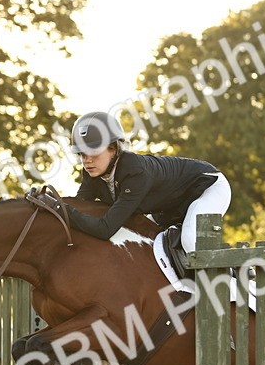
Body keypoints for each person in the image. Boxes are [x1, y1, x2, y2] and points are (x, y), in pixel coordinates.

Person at [60, 110, 231, 282]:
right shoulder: (93, 174)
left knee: (189, 239)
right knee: (148, 241)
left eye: (94, 152)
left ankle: (233, 279)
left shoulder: (134, 171)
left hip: (207, 187)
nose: (87, 160)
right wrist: (51, 206)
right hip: (171, 206)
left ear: (113, 148)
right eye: (82, 154)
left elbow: (104, 229)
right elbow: (78, 208)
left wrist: (60, 208)